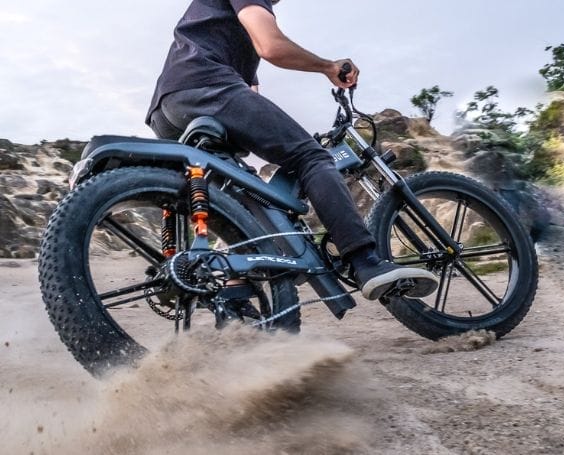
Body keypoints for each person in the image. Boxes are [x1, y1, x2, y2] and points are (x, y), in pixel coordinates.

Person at [146, 0, 438, 300]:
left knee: (242, 193)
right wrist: (328, 66)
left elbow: (251, 101)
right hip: (204, 87)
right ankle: (365, 263)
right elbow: (272, 46)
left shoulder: (227, 32)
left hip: (166, 111)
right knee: (311, 157)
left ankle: (236, 295)